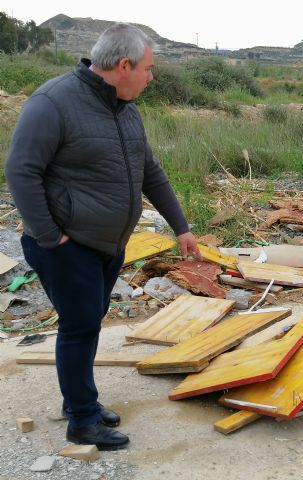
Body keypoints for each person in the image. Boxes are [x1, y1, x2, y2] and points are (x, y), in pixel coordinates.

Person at [4, 23, 201, 450]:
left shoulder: (124, 107)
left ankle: (79, 400)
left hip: (107, 246)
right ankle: (82, 419)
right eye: (148, 68)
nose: (152, 77)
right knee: (79, 328)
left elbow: (150, 171)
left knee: (87, 324)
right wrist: (51, 237)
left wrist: (181, 226)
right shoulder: (53, 102)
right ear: (124, 64)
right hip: (67, 246)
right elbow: (21, 171)